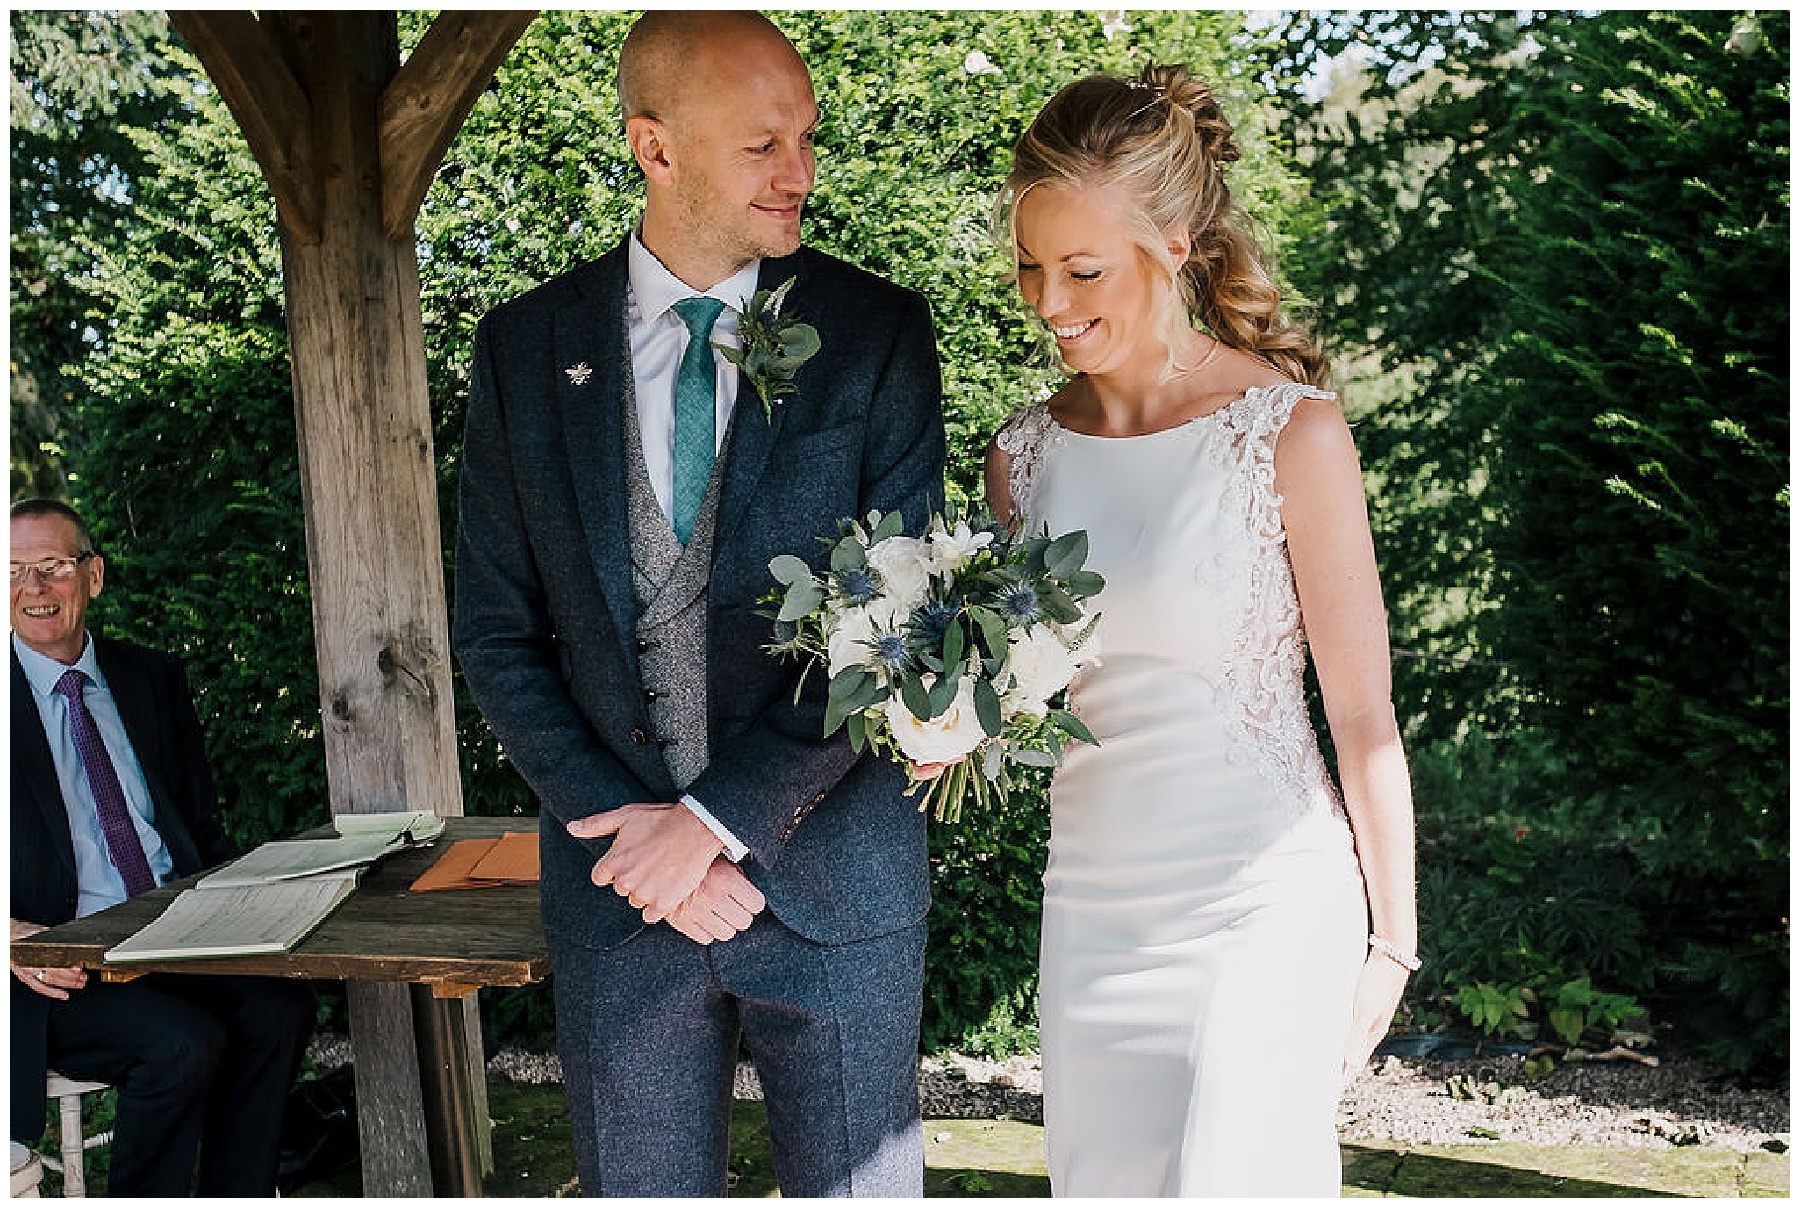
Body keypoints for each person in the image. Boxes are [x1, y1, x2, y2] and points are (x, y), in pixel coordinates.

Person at [451, 10, 946, 1197]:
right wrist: (636, 836)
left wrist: (712, 823)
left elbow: (896, 628)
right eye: (763, 144)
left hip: (837, 890)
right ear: (655, 148)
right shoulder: (525, 349)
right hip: (624, 904)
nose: (802, 174)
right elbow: (497, 632)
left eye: (809, 139)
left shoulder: (878, 334)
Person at [983, 65, 1418, 1196]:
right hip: (1093, 911)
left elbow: (1364, 715)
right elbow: (1037, 698)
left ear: (1175, 245)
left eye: (1083, 269)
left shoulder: (1291, 434)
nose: (1049, 300)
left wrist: (1392, 946)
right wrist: (949, 716)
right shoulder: (1022, 456)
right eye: (1032, 266)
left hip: (1260, 900)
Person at [9, 498, 314, 1196]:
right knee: (181, 1046)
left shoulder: (150, 679)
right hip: (53, 961)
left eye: (53, 566)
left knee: (280, 1008)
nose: (34, 588)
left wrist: (251, 905)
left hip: (172, 930)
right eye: (16, 570)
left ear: (93, 576)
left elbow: (199, 829)